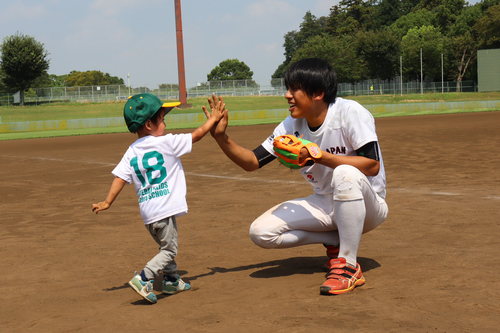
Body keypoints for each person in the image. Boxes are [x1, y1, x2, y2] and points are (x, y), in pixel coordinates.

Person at [203, 58, 388, 295]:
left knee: (344, 173)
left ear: (318, 92)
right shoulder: (292, 124)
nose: (287, 95)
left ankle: (348, 265)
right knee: (260, 232)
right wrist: (221, 137)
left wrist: (319, 155)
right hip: (325, 203)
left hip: (368, 204)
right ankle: (335, 239)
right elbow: (252, 161)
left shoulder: (349, 112)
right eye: (288, 89)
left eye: (294, 89)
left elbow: (371, 166)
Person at [92, 93, 226, 303]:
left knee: (165, 246)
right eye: (162, 119)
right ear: (148, 124)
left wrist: (108, 202)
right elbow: (197, 135)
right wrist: (213, 119)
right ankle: (143, 278)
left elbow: (120, 177)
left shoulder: (131, 151)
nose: (165, 123)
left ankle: (171, 281)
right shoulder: (167, 142)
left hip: (148, 214)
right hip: (164, 210)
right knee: (170, 249)